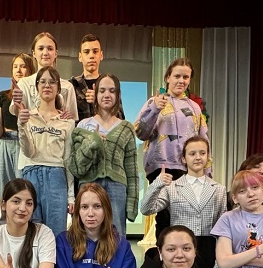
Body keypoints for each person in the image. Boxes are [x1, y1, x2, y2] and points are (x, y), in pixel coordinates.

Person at [134, 58, 209, 236]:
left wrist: (207, 172)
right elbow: (140, 132)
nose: (181, 81)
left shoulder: (195, 108)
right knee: (164, 218)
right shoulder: (154, 102)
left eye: (186, 77)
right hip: (161, 169)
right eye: (177, 76)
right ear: (168, 77)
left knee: (186, 216)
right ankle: (163, 252)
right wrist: (154, 109)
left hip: (188, 169)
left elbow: (204, 140)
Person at [140, 136, 225, 268]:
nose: (198, 157)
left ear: (208, 157)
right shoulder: (172, 187)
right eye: (192, 153)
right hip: (180, 248)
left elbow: (222, 229)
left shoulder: (219, 189)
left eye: (202, 153)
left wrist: (219, 263)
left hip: (208, 250)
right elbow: (146, 209)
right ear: (184, 158)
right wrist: (157, 184)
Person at [68, 73, 139, 236]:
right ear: (96, 93)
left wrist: (132, 204)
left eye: (112, 91)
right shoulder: (83, 125)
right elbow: (77, 167)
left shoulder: (126, 128)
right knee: (87, 235)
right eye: (102, 91)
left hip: (117, 189)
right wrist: (92, 142)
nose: (107, 95)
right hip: (88, 187)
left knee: (116, 235)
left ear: (118, 95)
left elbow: (132, 170)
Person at [17, 66, 75, 236]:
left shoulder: (67, 122)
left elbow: (68, 158)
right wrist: (21, 126)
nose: (47, 85)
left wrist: (71, 195)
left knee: (56, 233)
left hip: (56, 177)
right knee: (31, 233)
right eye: (42, 82)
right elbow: (28, 152)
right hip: (31, 175)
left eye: (52, 82)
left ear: (58, 88)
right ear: (37, 87)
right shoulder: (27, 116)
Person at [0, 53, 35, 222]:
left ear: (30, 69)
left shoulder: (34, 97)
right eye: (15, 66)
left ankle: (25, 227)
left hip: (25, 144)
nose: (19, 70)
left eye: (23, 66)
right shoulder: (2, 96)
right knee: (5, 189)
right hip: (4, 143)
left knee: (23, 189)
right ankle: (4, 225)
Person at [10, 32, 78, 119]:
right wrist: (17, 102)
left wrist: (68, 118)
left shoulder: (67, 87)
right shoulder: (24, 83)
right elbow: (18, 114)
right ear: (34, 53)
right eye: (41, 48)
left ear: (56, 53)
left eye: (50, 49)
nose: (45, 53)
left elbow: (72, 119)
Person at [70, 34, 124, 122]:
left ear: (101, 55)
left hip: (106, 130)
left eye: (95, 51)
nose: (91, 56)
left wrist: (99, 102)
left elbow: (121, 119)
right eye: (86, 52)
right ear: (80, 57)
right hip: (80, 130)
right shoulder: (72, 85)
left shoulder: (111, 85)